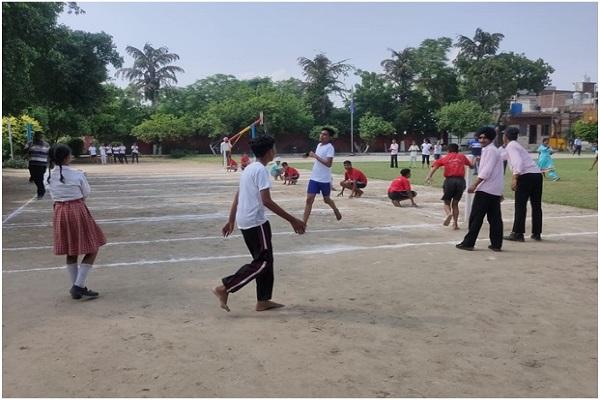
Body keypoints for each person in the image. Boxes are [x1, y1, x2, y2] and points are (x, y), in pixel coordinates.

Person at [212, 135, 305, 312]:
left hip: (245, 220)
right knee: (263, 262)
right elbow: (266, 201)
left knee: (265, 261)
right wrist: (293, 220)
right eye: (274, 148)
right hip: (256, 222)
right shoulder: (261, 170)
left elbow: (238, 195)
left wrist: (231, 220)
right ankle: (225, 287)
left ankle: (263, 301)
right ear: (269, 151)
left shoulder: (249, 168)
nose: (275, 151)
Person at [44, 144, 106, 299]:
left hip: (59, 211)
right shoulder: (77, 174)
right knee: (93, 247)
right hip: (77, 209)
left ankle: (77, 287)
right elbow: (86, 192)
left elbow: (51, 193)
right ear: (67, 157)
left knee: (71, 249)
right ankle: (78, 286)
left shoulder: (48, 175)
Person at [456, 126, 504, 252]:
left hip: (486, 189)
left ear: (491, 138)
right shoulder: (492, 150)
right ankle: (496, 244)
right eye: (480, 138)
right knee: (495, 219)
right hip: (494, 189)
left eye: (485, 138)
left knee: (476, 217)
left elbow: (486, 171)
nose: (482, 140)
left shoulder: (489, 150)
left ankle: (468, 243)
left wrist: (474, 184)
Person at [503, 127, 544, 242]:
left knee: (520, 205)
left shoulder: (511, 146)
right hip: (536, 175)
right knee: (536, 205)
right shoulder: (516, 146)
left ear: (505, 136)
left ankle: (518, 233)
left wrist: (515, 178)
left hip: (525, 176)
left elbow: (518, 162)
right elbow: (502, 156)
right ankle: (536, 233)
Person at [425, 143, 474, 230]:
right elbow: (471, 166)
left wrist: (429, 176)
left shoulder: (445, 158)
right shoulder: (462, 157)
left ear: (448, 150)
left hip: (450, 181)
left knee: (446, 202)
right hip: (460, 181)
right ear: (458, 150)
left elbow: (435, 167)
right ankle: (455, 224)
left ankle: (449, 214)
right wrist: (475, 160)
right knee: (455, 203)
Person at [303, 127, 342, 224]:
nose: (321, 136)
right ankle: (303, 223)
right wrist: (308, 155)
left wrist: (315, 156)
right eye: (321, 134)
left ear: (330, 137)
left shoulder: (330, 147)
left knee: (326, 199)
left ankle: (335, 209)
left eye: (325, 134)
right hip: (314, 177)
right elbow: (318, 157)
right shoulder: (319, 145)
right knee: (309, 200)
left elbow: (329, 164)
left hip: (324, 179)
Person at [24, 132, 50, 199]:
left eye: (41, 136)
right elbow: (25, 151)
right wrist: (28, 148)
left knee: (40, 178)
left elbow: (49, 154)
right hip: (32, 164)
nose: (39, 138)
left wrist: (50, 162)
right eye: (38, 136)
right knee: (34, 178)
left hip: (42, 164)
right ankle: (41, 190)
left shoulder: (46, 145)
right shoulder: (30, 143)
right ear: (35, 136)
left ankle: (41, 192)